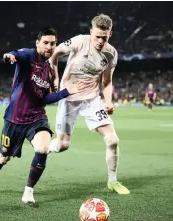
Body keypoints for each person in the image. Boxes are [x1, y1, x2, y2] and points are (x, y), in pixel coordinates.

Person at [0, 28, 84, 204]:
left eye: (53, 43)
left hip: (37, 118)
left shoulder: (49, 71)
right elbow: (16, 54)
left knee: (43, 148)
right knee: (3, 157)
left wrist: (66, 92)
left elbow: (45, 98)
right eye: (46, 43)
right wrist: (10, 56)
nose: (49, 46)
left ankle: (28, 191)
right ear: (37, 43)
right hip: (15, 118)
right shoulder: (28, 56)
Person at [48, 14, 130, 194]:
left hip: (92, 99)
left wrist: (108, 102)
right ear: (91, 32)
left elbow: (106, 82)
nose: (100, 41)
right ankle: (44, 147)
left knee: (112, 140)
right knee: (63, 146)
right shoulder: (78, 42)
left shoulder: (111, 54)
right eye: (97, 36)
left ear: (110, 34)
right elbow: (54, 53)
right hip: (68, 98)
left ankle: (113, 181)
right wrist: (54, 77)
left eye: (105, 37)